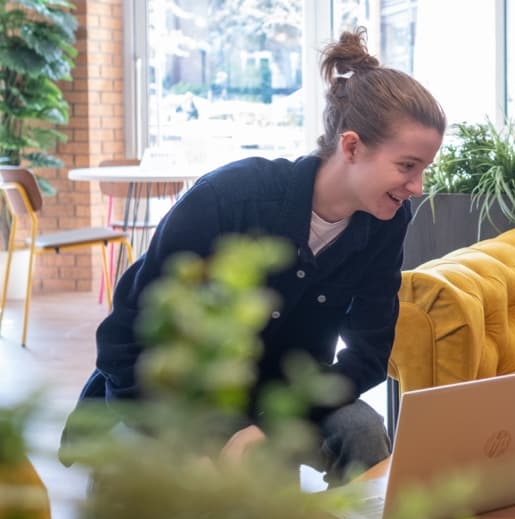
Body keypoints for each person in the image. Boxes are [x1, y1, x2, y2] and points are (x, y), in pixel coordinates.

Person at [61, 28, 446, 486]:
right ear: (351, 146)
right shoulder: (228, 198)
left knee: (361, 431)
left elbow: (367, 355)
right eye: (407, 166)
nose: (417, 187)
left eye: (424, 170)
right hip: (165, 402)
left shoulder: (387, 222)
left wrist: (269, 426)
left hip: (277, 399)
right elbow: (126, 336)